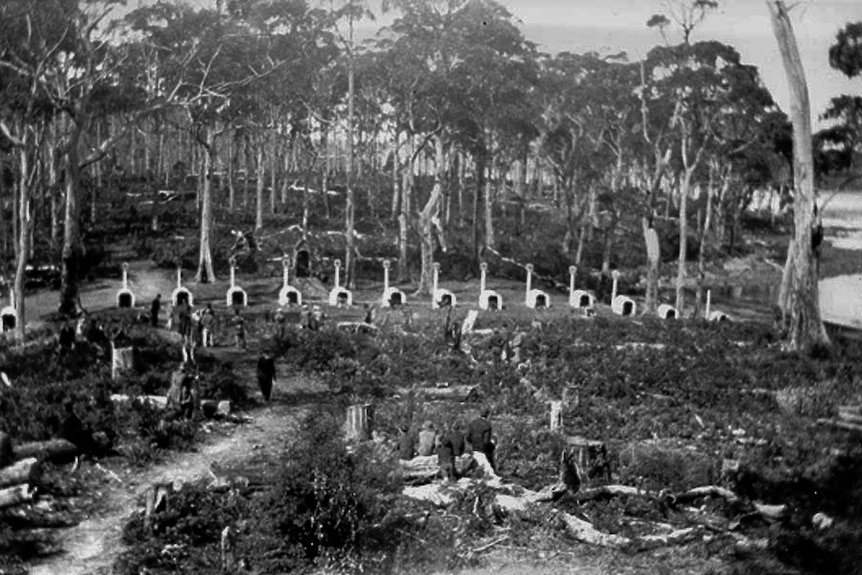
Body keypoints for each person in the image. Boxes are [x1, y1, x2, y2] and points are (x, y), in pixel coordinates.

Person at [467, 408, 496, 473]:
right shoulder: (487, 425)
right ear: (488, 415)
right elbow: (486, 440)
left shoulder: (473, 423)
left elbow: (468, 437)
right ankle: (492, 469)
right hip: (482, 448)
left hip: (474, 446)